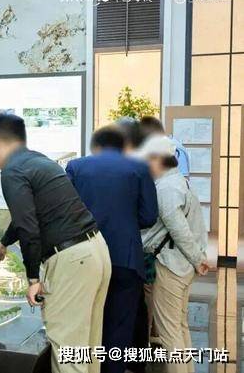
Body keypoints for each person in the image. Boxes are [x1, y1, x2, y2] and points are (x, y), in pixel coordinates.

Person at [0, 114, 111, 373]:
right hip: (96, 249)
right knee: (87, 348)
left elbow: (28, 228)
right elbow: (30, 215)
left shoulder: (12, 171)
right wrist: (4, 243)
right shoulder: (38, 161)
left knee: (68, 352)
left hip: (72, 260)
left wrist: (33, 279)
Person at [65, 126, 158, 373]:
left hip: (85, 255)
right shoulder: (139, 168)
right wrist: (126, 222)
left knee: (85, 322)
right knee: (119, 326)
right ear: (123, 146)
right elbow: (149, 215)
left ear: (95, 145)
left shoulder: (76, 167)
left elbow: (67, 212)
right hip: (125, 256)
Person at [139, 135, 209, 373]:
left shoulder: (167, 188)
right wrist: (197, 258)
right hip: (182, 265)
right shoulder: (179, 182)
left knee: (169, 333)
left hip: (171, 266)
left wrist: (198, 259)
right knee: (179, 327)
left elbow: (179, 229)